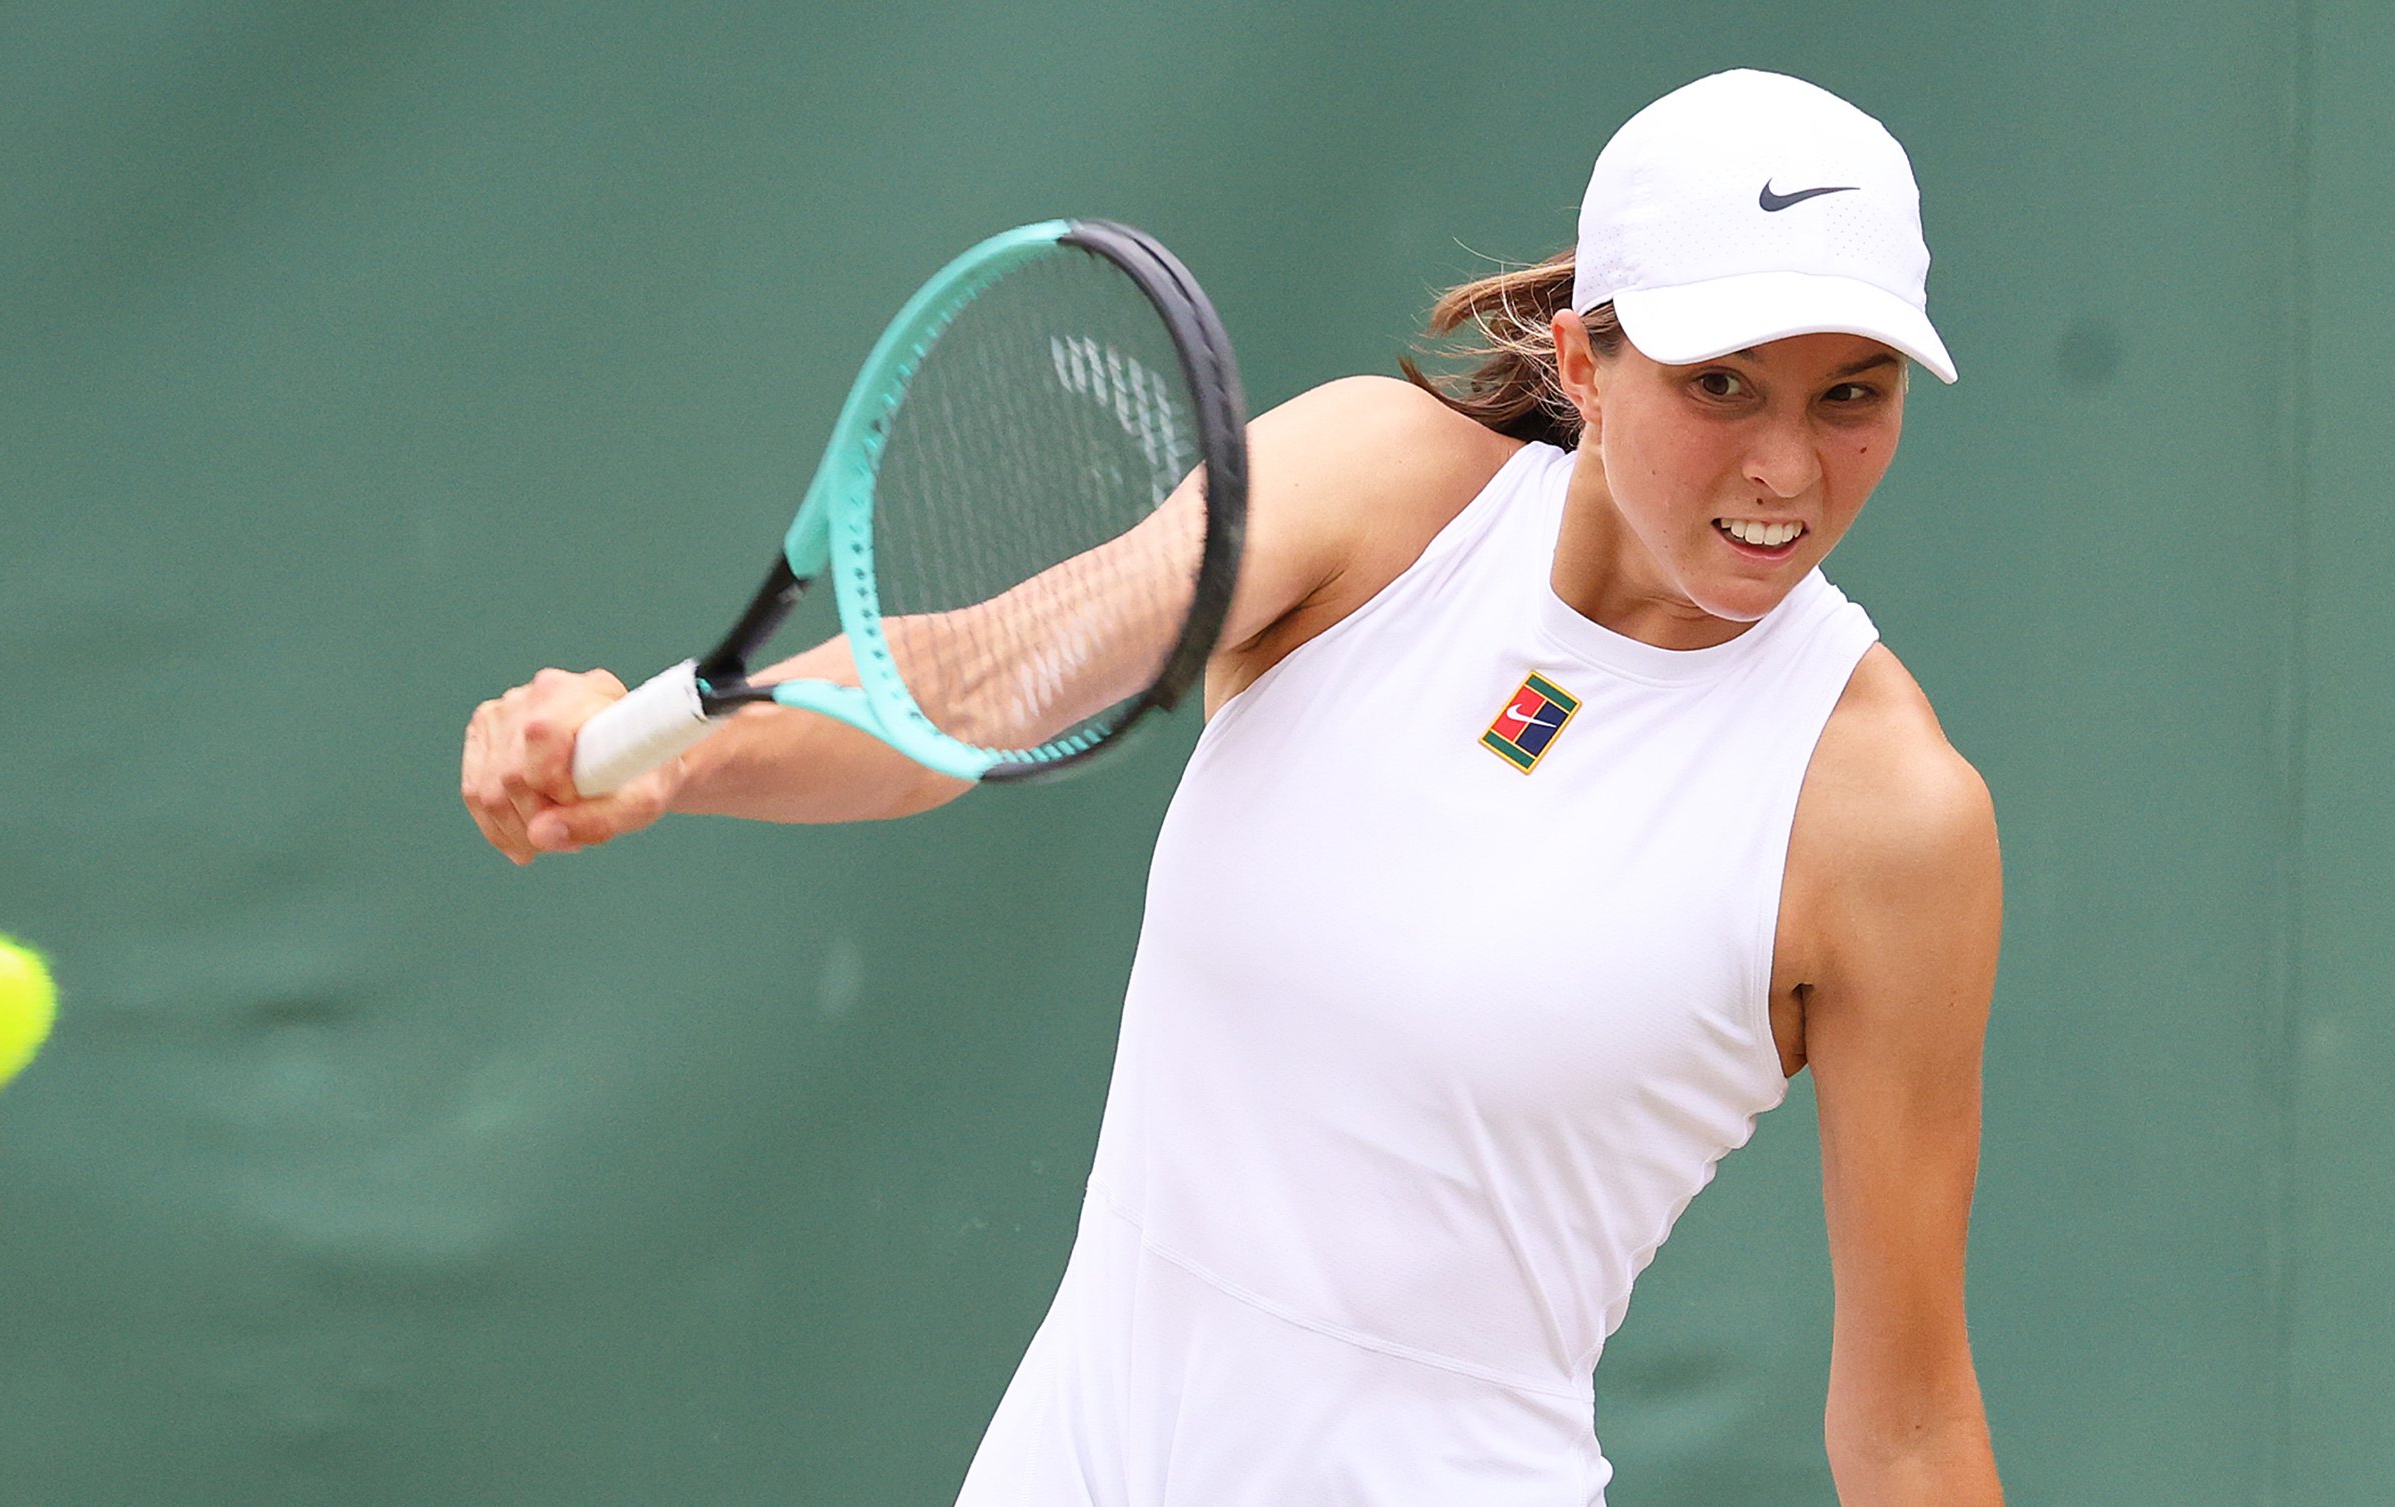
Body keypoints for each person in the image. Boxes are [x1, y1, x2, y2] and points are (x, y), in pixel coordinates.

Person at [463, 68, 2004, 1507]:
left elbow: (1908, 1420)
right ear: (1586, 360)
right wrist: (671, 754)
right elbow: (988, 681)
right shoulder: (1383, 495)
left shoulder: (1889, 816)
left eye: (1851, 395)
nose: (1787, 471)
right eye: (1722, 383)